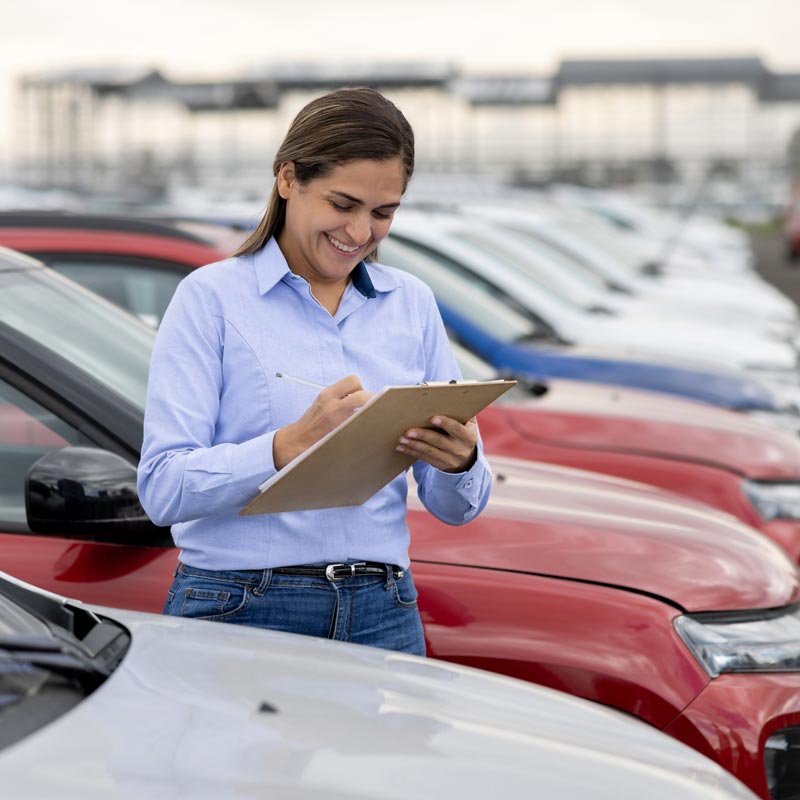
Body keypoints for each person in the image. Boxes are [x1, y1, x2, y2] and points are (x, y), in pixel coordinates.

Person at [137, 87, 492, 656]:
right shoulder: (210, 299)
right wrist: (289, 444)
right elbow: (162, 489)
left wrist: (461, 462)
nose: (360, 233)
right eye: (343, 204)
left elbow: (457, 507)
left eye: (383, 213)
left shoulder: (412, 303)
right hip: (243, 606)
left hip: (383, 609)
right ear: (288, 179)